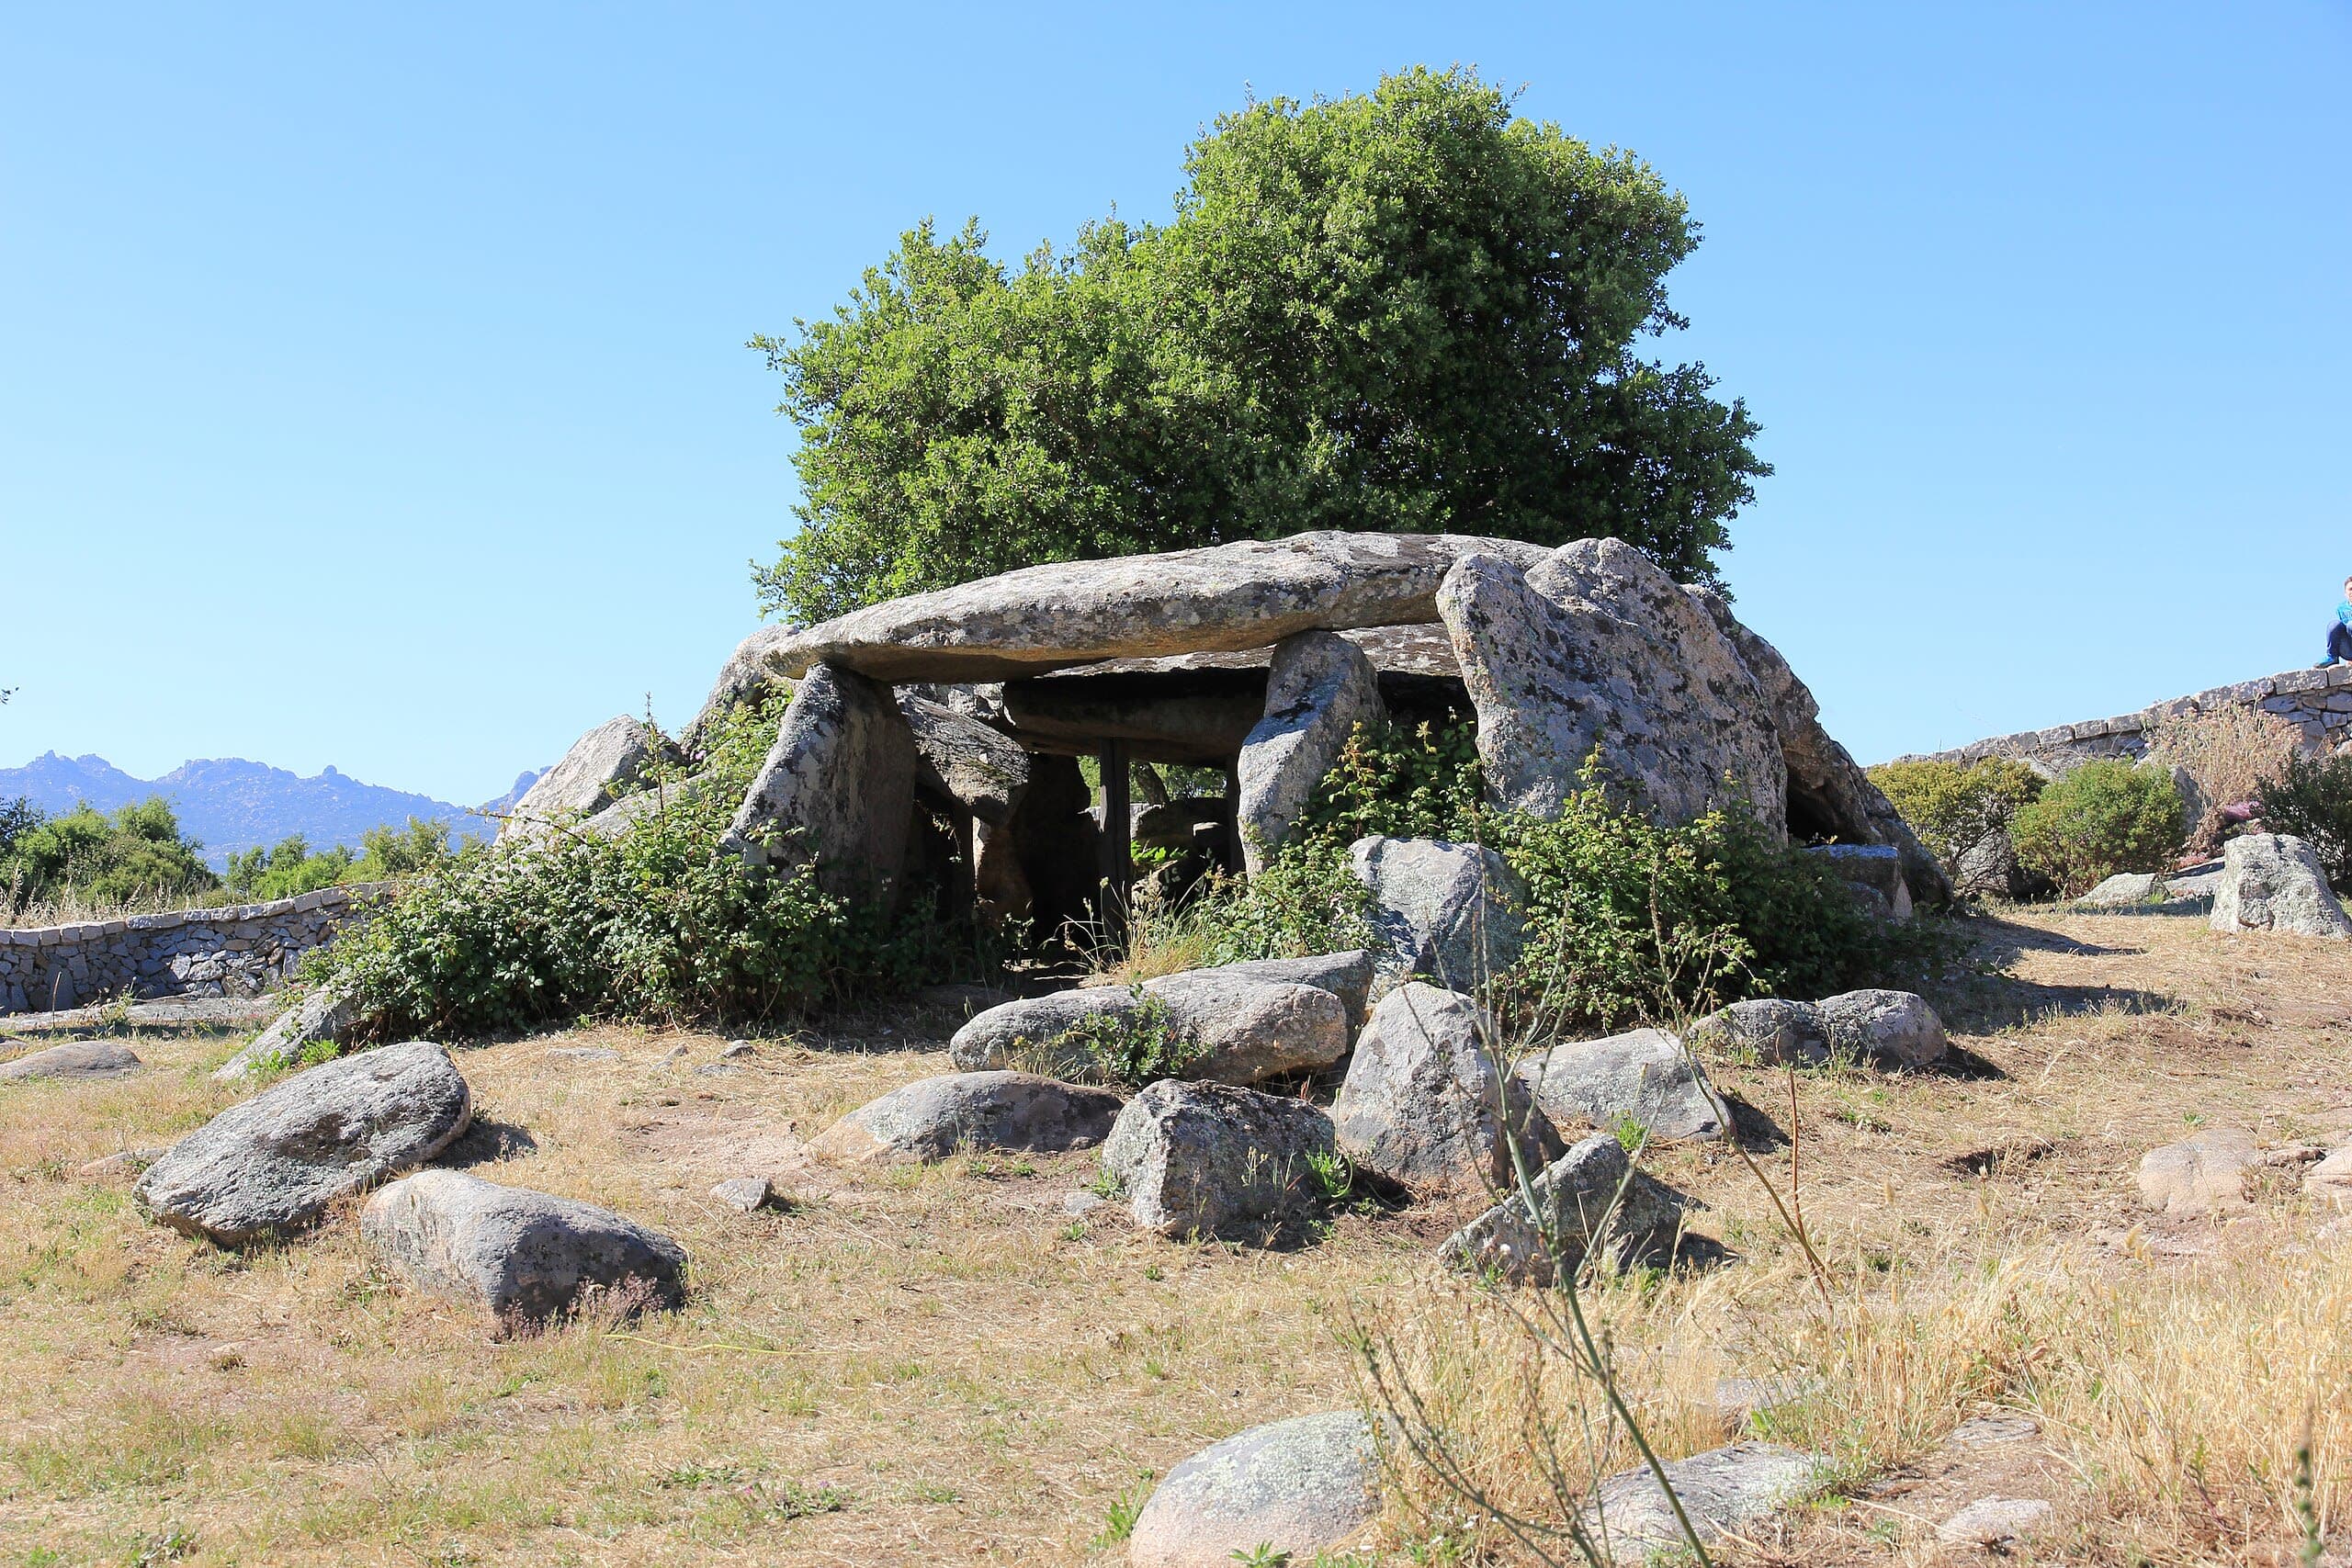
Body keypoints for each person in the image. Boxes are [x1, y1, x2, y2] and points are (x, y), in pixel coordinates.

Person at [2324, 577, 2352, 668]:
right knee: (2334, 625)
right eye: (2350, 589)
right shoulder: (2341, 608)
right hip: (2348, 648)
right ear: (2345, 593)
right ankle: (2332, 657)